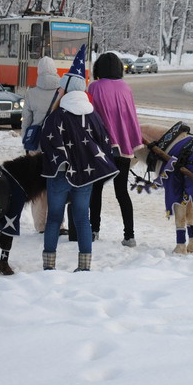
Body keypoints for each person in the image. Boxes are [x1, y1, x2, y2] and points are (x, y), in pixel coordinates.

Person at [39, 46, 118, 272]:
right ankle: (84, 266)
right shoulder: (93, 116)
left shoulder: (56, 115)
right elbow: (104, 143)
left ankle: (49, 266)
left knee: (54, 218)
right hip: (85, 177)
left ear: (64, 90)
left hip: (59, 175)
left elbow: (46, 143)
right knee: (83, 219)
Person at [87, 52, 144, 247]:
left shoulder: (94, 87)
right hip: (124, 147)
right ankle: (129, 235)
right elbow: (131, 117)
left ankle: (94, 230)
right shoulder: (126, 88)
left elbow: (90, 116)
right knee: (122, 192)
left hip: (103, 146)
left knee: (96, 188)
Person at [20, 56, 63, 234]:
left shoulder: (31, 93)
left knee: (38, 188)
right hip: (57, 147)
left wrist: (26, 142)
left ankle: (40, 226)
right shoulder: (62, 91)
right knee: (57, 186)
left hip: (37, 148)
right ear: (54, 70)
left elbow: (26, 122)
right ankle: (58, 224)